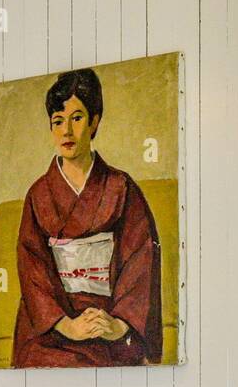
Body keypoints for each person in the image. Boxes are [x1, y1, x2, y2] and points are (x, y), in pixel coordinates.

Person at [11, 67, 162, 368]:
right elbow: (32, 268)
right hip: (53, 325)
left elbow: (140, 256)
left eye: (77, 118)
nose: (66, 131)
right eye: (58, 121)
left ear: (94, 122)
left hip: (108, 319)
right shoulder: (39, 194)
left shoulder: (121, 187)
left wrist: (118, 324)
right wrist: (65, 324)